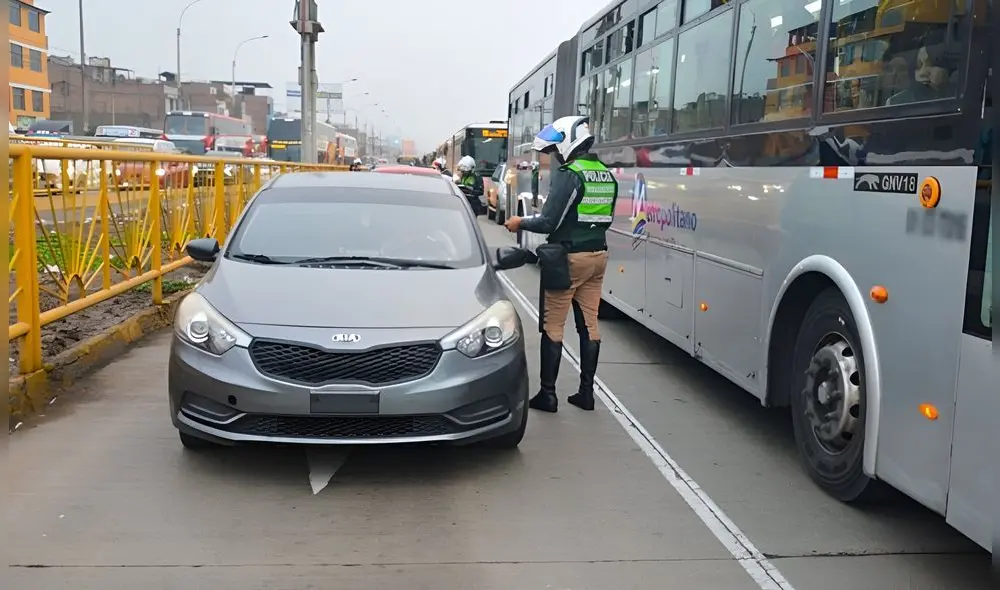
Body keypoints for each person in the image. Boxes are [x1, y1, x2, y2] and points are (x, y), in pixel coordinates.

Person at [503, 115, 617, 413]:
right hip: (598, 257)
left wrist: (519, 221)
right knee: (589, 325)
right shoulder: (604, 173)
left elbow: (549, 221)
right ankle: (586, 393)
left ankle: (548, 394)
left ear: (568, 142)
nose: (554, 156)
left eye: (555, 150)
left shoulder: (570, 174)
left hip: (569, 259)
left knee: (553, 325)